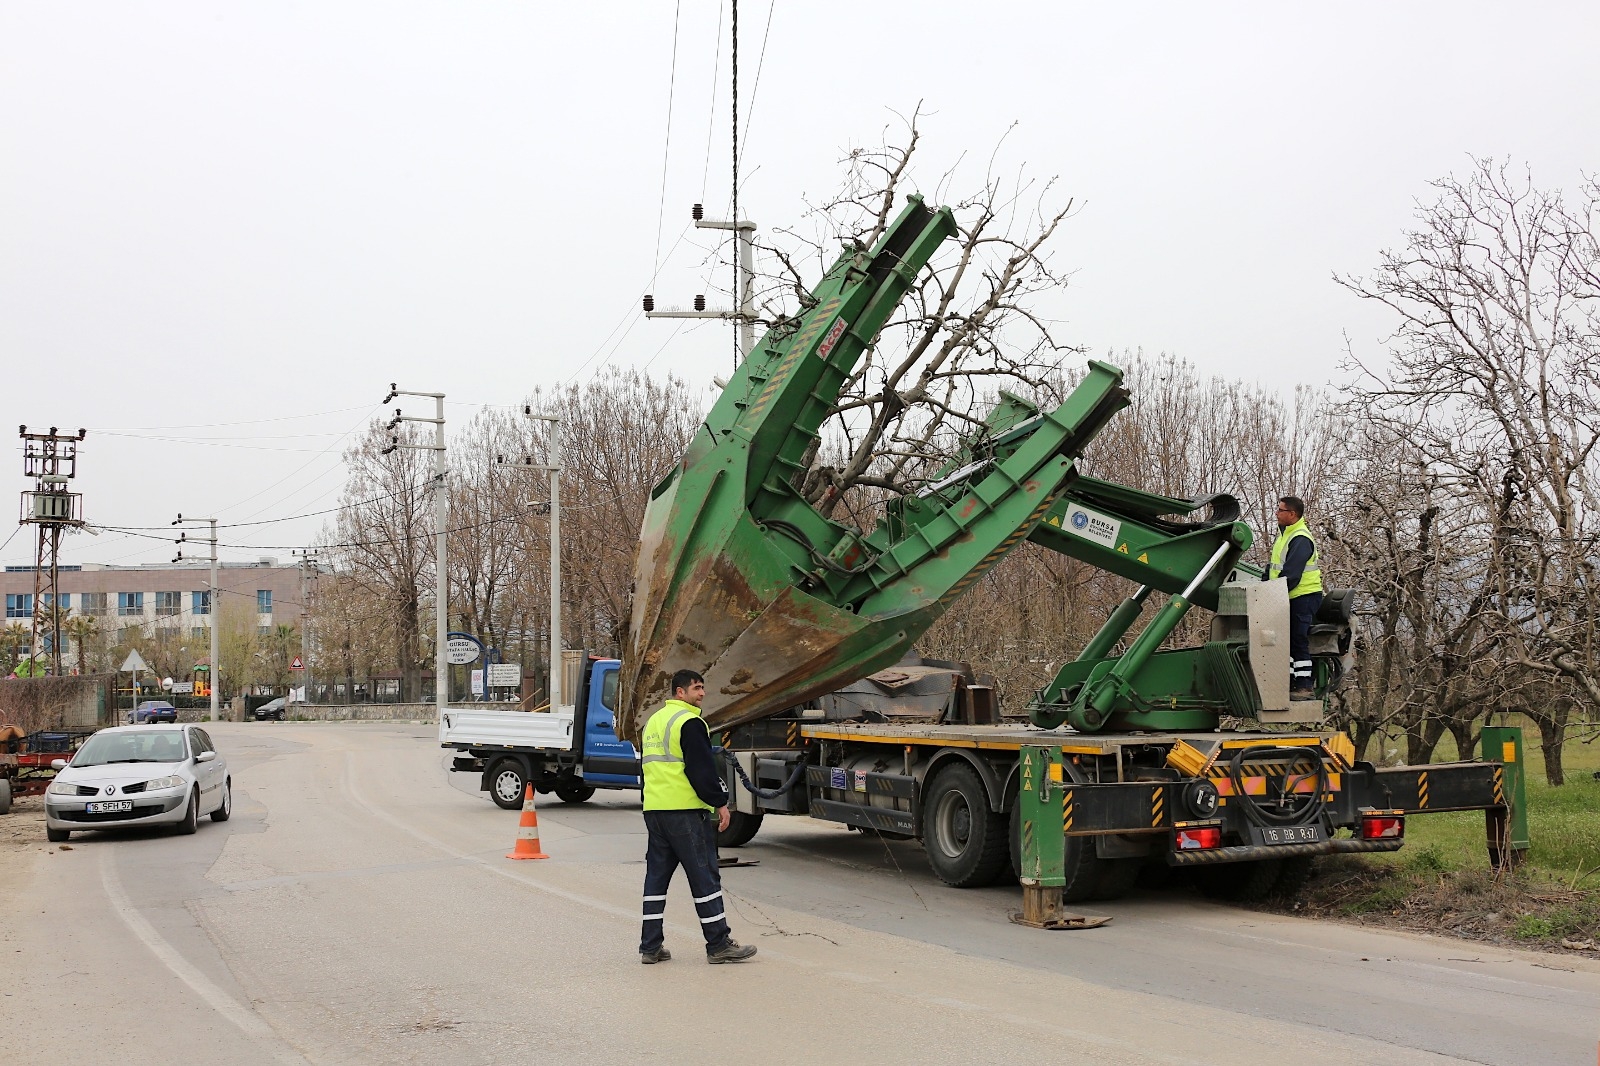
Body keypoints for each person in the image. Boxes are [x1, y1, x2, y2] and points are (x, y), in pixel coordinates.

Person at [638, 668, 757, 965]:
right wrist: (720, 802)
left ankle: (650, 947)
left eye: (702, 688)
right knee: (704, 877)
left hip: (655, 810)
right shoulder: (691, 722)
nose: (702, 694)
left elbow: (647, 767)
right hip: (686, 812)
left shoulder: (653, 722)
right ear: (680, 692)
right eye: (697, 688)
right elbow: (701, 770)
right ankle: (718, 945)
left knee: (656, 879)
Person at [1265, 496, 1323, 696]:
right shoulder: (1285, 535)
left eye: (1280, 510)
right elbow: (1273, 568)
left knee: (1298, 639)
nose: (1276, 513)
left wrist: (1270, 595)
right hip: (1289, 596)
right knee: (1286, 640)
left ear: (1292, 514)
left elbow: (1291, 575)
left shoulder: (1300, 538)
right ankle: (1289, 682)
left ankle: (1304, 685)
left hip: (1303, 596)